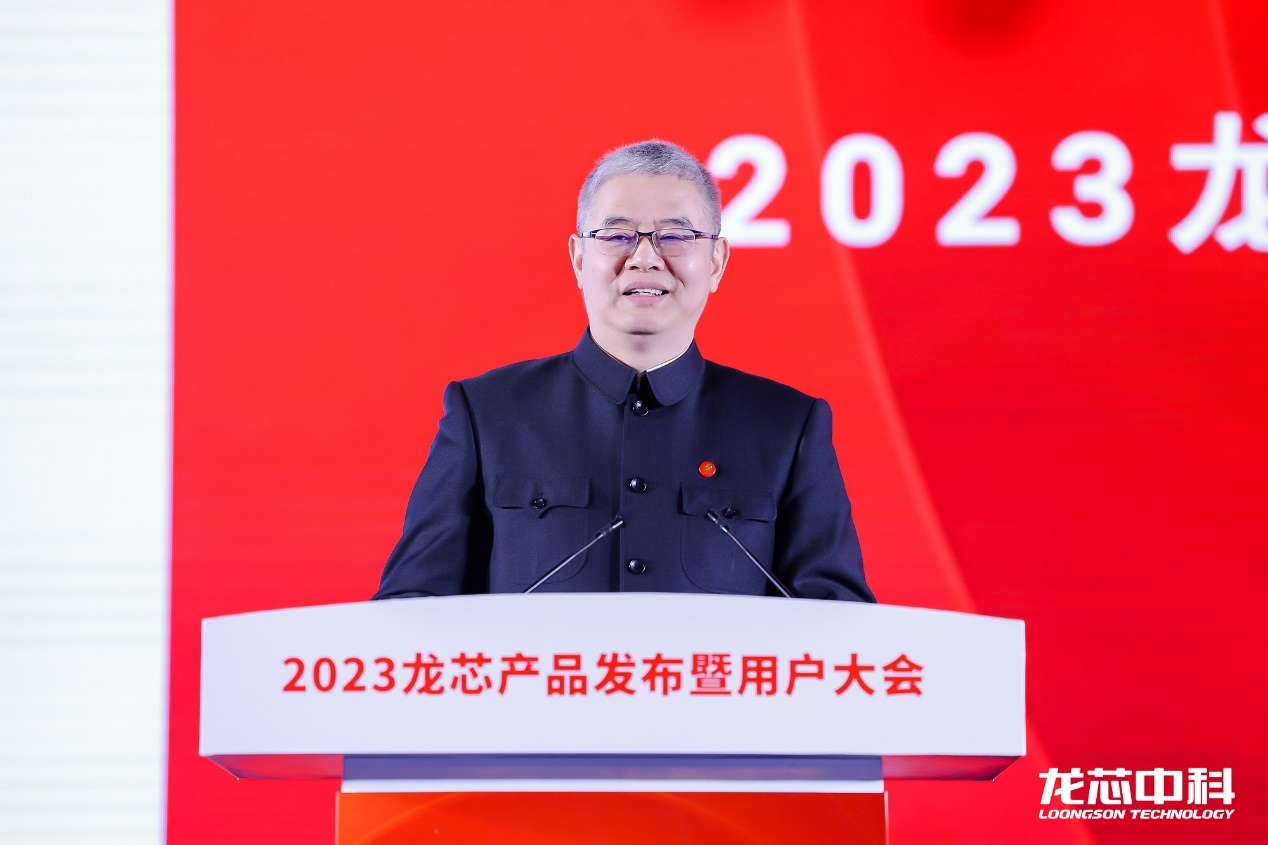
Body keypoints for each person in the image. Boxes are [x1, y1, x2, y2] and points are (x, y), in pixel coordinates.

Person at [373, 140, 874, 602]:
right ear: (578, 258)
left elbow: (841, 625)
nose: (645, 258)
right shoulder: (488, 414)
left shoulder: (786, 426)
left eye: (676, 236)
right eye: (616, 236)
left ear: (716, 262)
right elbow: (409, 609)